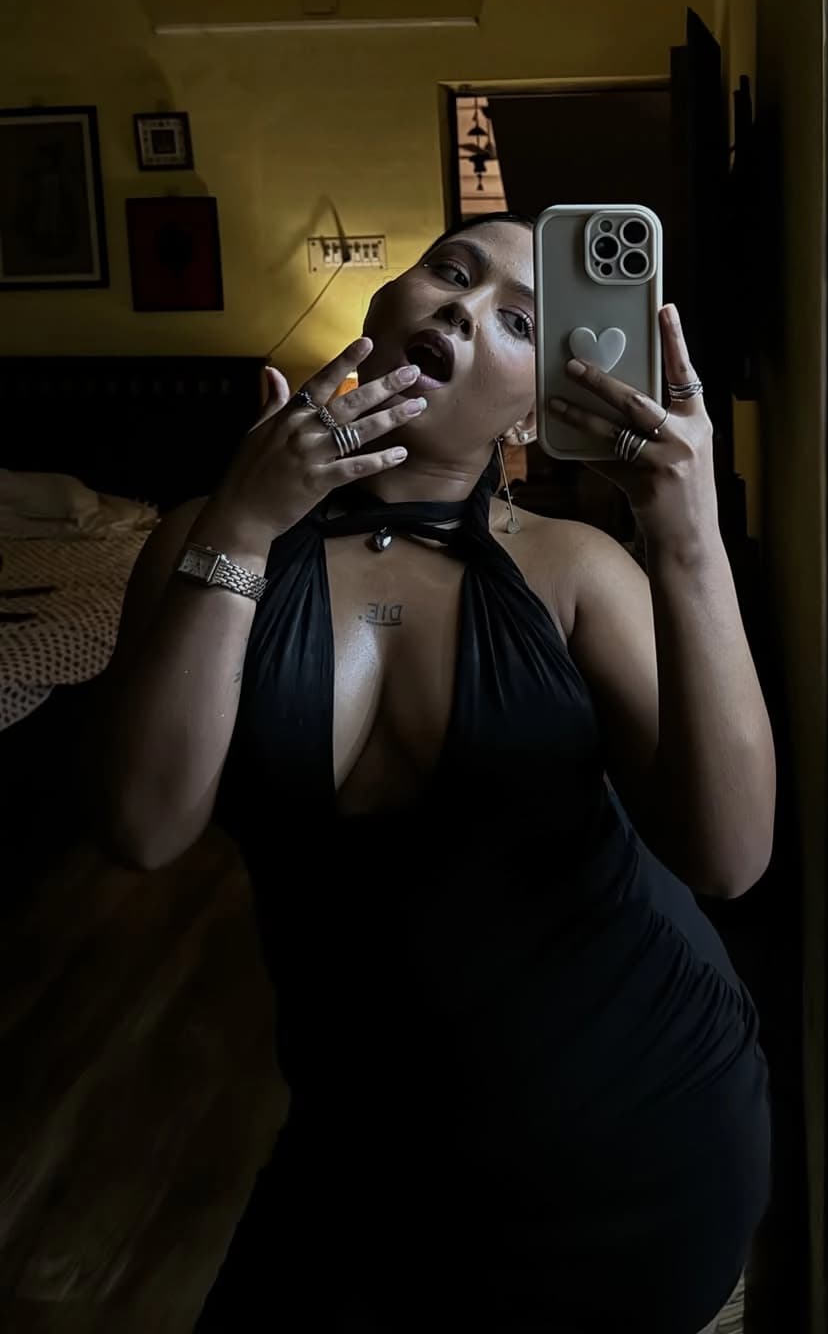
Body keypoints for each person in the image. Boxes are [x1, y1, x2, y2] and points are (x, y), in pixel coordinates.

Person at [99, 212, 776, 1333]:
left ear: (533, 408)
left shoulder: (573, 570)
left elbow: (732, 855)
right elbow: (143, 826)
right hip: (367, 1156)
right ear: (385, 304)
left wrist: (688, 537)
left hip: (636, 1142)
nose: (463, 307)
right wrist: (248, 523)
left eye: (519, 320)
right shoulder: (203, 541)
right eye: (450, 272)